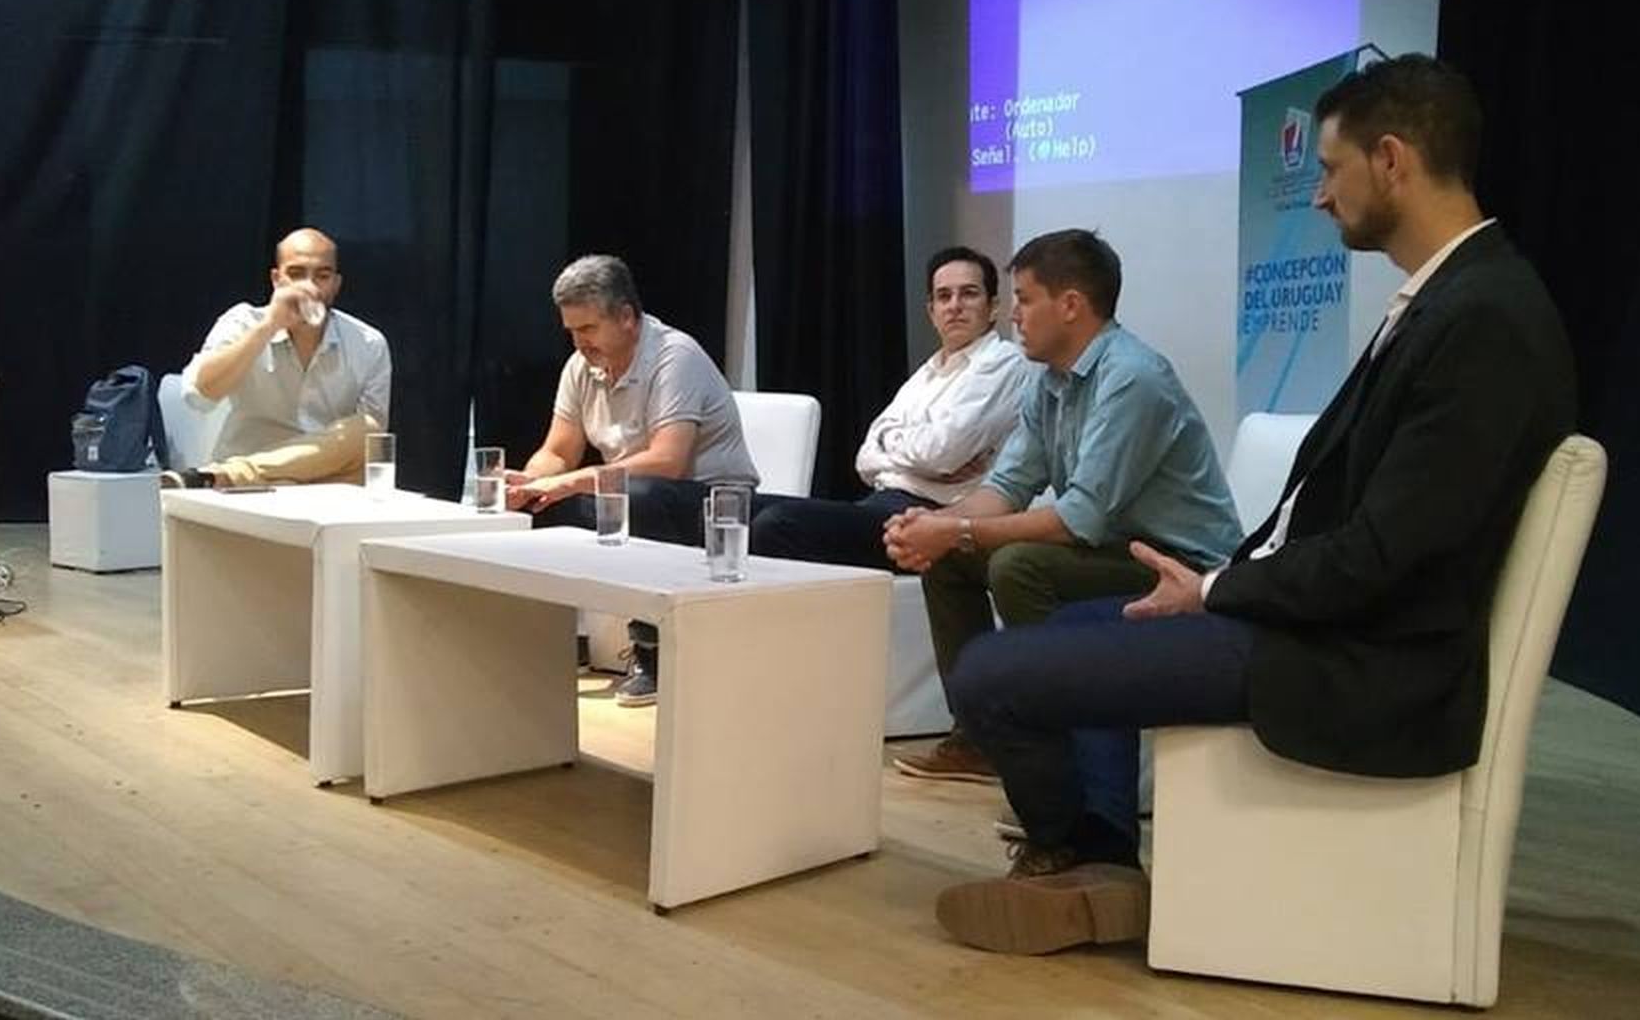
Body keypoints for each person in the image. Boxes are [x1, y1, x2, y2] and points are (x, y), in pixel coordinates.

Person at [930, 55, 1580, 957]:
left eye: (1331, 168)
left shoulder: (1481, 320)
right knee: (1075, 623)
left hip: (1355, 659)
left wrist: (1215, 591)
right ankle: (1102, 854)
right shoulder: (1460, 300)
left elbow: (1384, 556)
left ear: (1392, 160)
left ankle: (1072, 848)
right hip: (1322, 622)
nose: (1319, 194)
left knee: (990, 677)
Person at [884, 228, 1243, 787]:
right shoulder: (1048, 383)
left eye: (1025, 299)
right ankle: (980, 738)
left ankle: (1057, 761)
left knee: (1019, 565)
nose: (1014, 316)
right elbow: (1007, 485)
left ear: (1071, 305)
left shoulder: (1132, 377)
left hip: (1180, 565)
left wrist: (957, 529)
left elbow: (1079, 518)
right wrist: (935, 526)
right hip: (1113, 548)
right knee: (953, 557)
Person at [508, 253, 759, 707]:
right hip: (634, 492)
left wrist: (570, 482)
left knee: (638, 496)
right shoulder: (580, 367)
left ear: (626, 316)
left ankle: (653, 653)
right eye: (571, 331)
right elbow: (559, 451)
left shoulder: (674, 356)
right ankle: (553, 642)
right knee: (542, 505)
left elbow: (668, 462)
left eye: (588, 328)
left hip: (714, 507)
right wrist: (528, 482)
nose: (580, 343)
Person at [748, 246, 1031, 569]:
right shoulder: (928, 372)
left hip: (933, 518)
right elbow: (865, 459)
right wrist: (915, 453)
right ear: (932, 311)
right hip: (881, 503)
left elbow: (940, 453)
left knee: (778, 523)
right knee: (736, 511)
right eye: (944, 296)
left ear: (992, 307)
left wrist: (891, 441)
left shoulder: (1002, 363)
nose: (954, 306)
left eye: (968, 294)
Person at [164, 227, 391, 488]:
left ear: (336, 284)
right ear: (276, 279)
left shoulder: (368, 343)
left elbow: (371, 444)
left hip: (322, 484)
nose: (309, 286)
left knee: (369, 430)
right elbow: (199, 396)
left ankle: (233, 473)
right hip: (251, 490)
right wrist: (268, 326)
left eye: (322, 276)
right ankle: (251, 476)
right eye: (296, 274)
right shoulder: (242, 322)